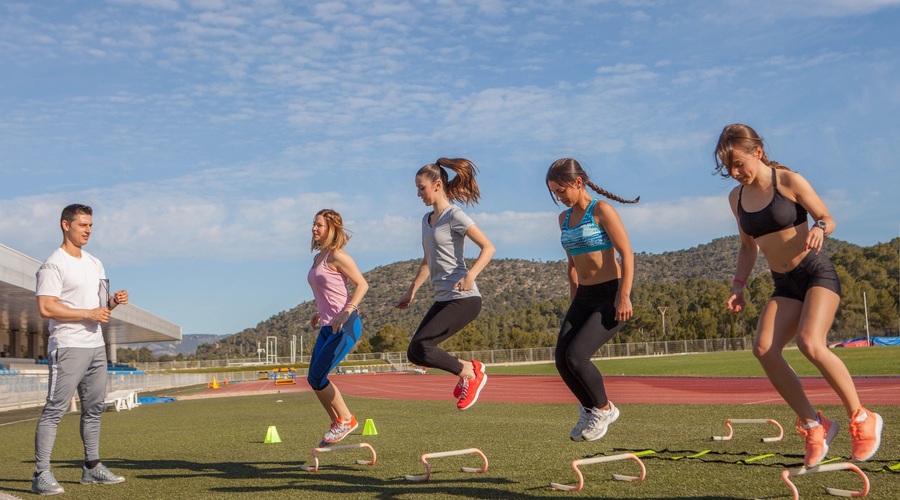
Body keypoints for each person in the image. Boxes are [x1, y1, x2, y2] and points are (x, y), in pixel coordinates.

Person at [715, 123, 883, 467]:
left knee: (811, 343)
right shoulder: (737, 199)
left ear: (757, 152)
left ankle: (862, 417)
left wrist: (820, 228)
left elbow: (827, 218)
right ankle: (814, 423)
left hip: (815, 273)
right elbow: (748, 247)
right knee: (763, 348)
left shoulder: (788, 181)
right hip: (785, 284)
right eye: (728, 168)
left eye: (738, 164)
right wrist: (738, 285)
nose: (734, 173)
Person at [33, 204, 129, 495]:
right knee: (55, 411)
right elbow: (45, 307)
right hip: (68, 346)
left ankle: (92, 468)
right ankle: (41, 474)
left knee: (94, 410)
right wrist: (88, 314)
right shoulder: (53, 264)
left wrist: (112, 303)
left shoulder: (95, 263)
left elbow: (99, 308)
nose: (88, 230)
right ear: (66, 225)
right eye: (82, 225)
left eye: (90, 225)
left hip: (95, 346)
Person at [546, 158, 638, 442]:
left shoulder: (602, 210)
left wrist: (623, 296)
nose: (559, 198)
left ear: (578, 183)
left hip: (610, 294)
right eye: (554, 193)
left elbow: (628, 254)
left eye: (561, 191)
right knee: (562, 359)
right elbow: (572, 266)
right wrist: (573, 303)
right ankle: (588, 408)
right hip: (583, 297)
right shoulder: (563, 219)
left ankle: (604, 408)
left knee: (577, 356)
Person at [395, 158, 495, 410]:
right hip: (442, 299)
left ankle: (470, 374)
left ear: (437, 185)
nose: (418, 194)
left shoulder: (455, 215)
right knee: (414, 353)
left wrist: (471, 275)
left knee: (422, 346)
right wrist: (411, 291)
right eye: (417, 189)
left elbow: (488, 247)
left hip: (464, 298)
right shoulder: (426, 221)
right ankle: (469, 369)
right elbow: (427, 262)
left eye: (421, 188)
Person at [307, 209, 369, 447]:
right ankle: (338, 422)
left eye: (319, 225)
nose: (314, 229)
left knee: (319, 375)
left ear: (331, 228)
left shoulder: (337, 256)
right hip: (327, 325)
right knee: (313, 378)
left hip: (346, 325)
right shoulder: (318, 258)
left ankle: (346, 419)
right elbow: (329, 292)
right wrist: (319, 313)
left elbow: (362, 285)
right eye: (313, 224)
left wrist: (347, 311)